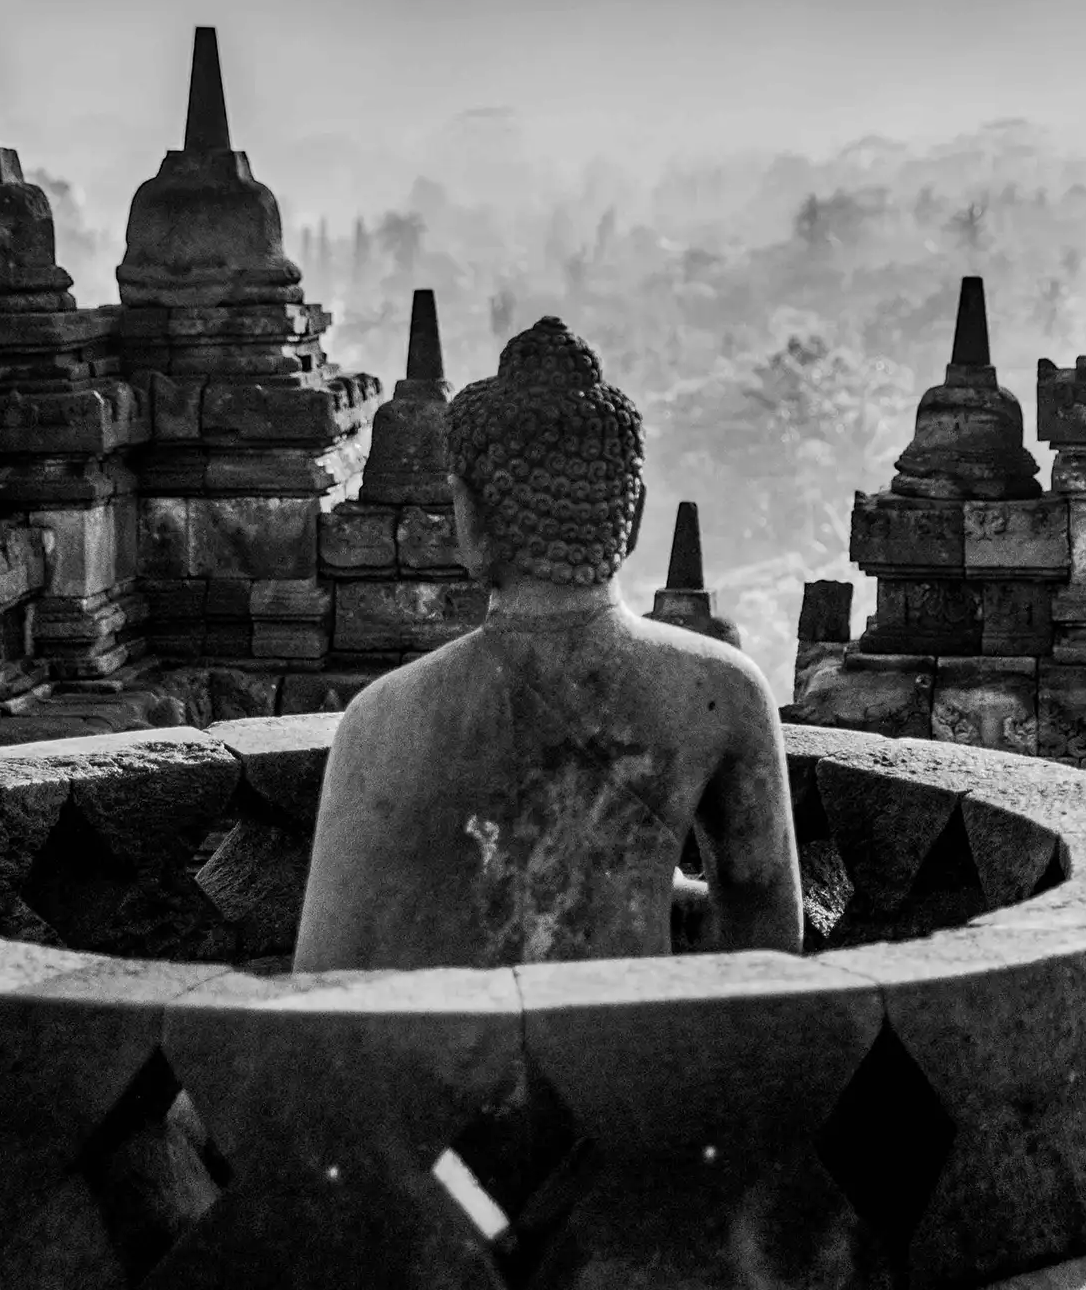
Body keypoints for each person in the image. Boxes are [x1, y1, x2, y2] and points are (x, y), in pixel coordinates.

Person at [293, 318, 802, 970]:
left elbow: (322, 978)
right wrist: (636, 888)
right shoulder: (724, 693)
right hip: (633, 1059)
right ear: (635, 514)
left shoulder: (380, 721)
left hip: (451, 1064)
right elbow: (769, 956)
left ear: (469, 518)